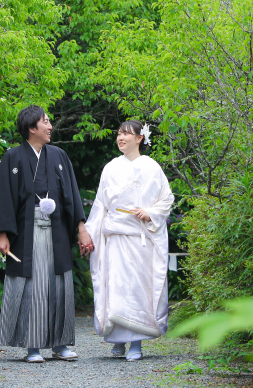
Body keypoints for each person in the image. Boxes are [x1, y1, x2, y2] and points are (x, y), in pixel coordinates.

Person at [0, 105, 94, 363]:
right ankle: (32, 346)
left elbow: (71, 195)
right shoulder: (13, 157)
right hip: (26, 232)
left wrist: (81, 228)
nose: (50, 126)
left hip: (57, 230)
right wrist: (2, 234)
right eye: (46, 122)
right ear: (32, 128)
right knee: (32, 286)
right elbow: (3, 197)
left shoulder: (59, 155)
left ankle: (61, 344)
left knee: (59, 284)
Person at [84, 120, 174, 361]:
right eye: (119, 134)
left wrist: (150, 213)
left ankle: (136, 342)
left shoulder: (152, 167)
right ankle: (117, 339)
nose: (121, 138)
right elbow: (100, 205)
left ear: (139, 138)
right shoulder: (111, 168)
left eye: (126, 134)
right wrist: (90, 235)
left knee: (136, 289)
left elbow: (166, 198)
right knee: (116, 287)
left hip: (140, 239)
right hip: (115, 238)